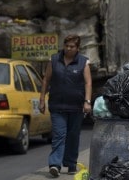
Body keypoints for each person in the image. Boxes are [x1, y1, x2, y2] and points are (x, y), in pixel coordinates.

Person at [39, 34, 92, 178]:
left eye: (72, 47)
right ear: (64, 46)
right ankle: (55, 165)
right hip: (57, 105)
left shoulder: (83, 62)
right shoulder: (54, 60)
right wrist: (42, 99)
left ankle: (71, 163)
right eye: (67, 46)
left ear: (77, 48)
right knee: (59, 135)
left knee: (73, 136)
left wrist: (87, 102)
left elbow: (88, 82)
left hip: (76, 107)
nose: (69, 49)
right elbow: (46, 80)